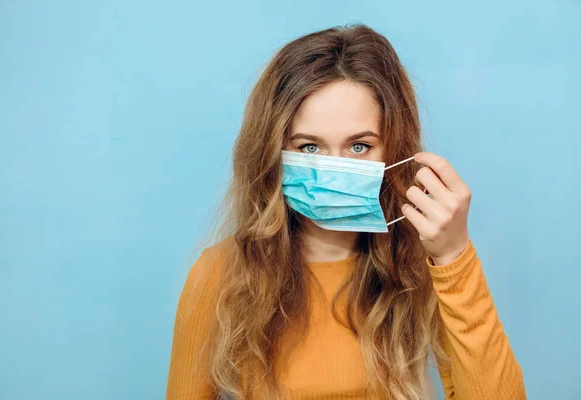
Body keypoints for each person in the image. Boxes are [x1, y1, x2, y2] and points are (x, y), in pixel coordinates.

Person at [165, 24, 526, 400]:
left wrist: (454, 257)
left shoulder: (421, 267)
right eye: (309, 147)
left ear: (393, 148)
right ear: (272, 151)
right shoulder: (222, 272)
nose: (333, 168)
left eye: (358, 147)